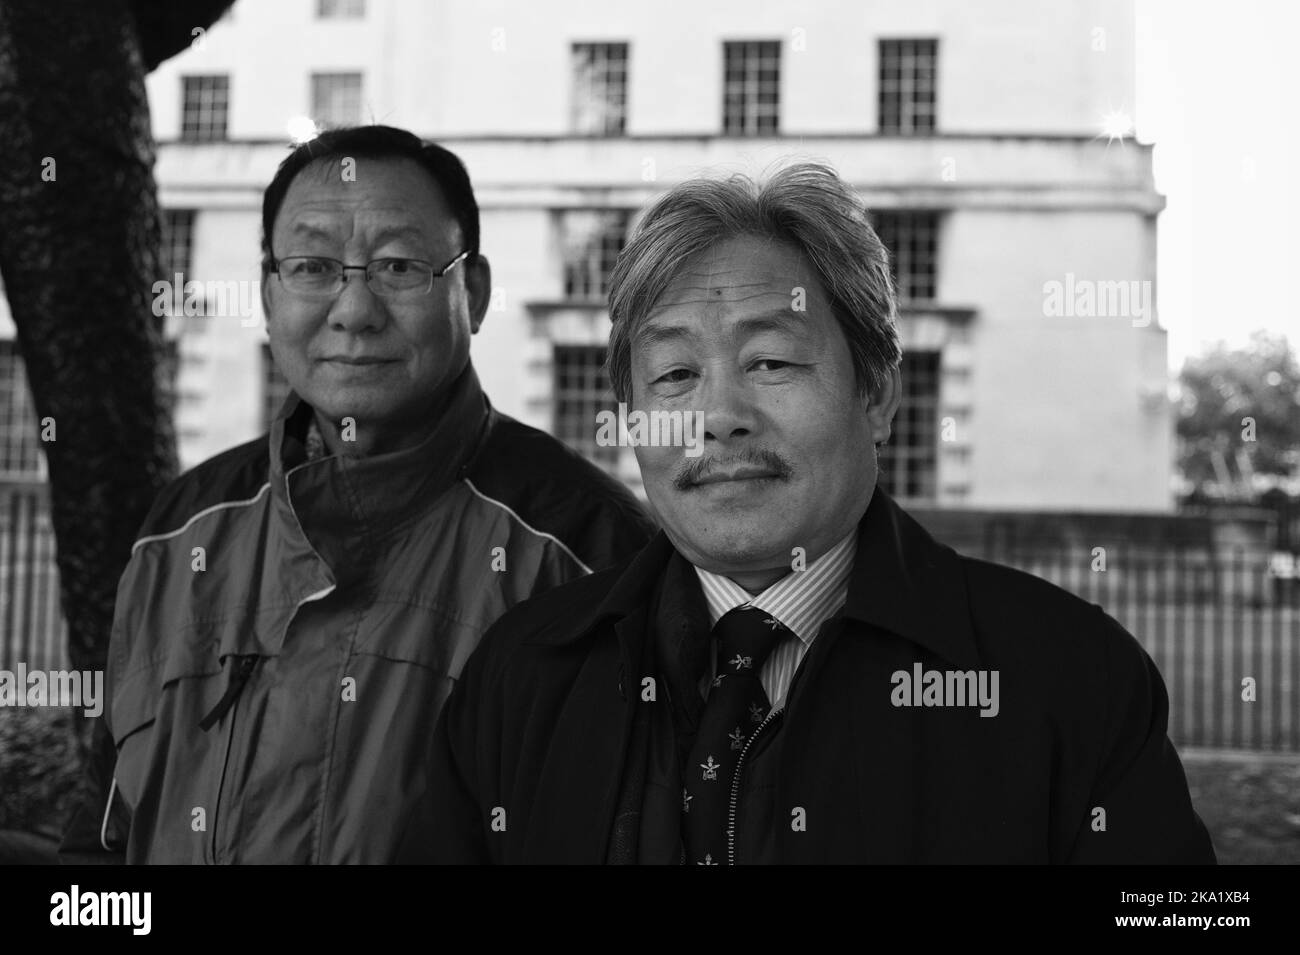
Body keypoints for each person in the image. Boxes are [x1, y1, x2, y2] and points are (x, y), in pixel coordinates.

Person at [422, 162, 1216, 864]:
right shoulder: (521, 674)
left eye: (770, 361)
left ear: (876, 394)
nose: (718, 414)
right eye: (672, 374)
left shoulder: (1067, 680)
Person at [59, 125, 654, 864]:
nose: (353, 309)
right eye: (311, 266)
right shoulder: (182, 530)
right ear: (270, 293)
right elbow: (102, 840)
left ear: (471, 291)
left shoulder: (586, 551)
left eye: (399, 265)